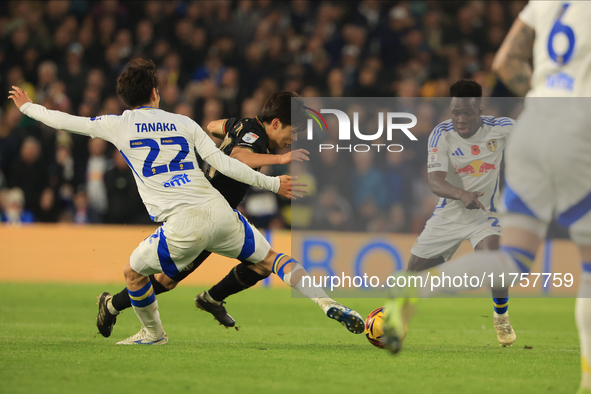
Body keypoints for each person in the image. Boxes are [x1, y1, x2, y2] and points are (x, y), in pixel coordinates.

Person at [8, 59, 302, 345]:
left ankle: (125, 314)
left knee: (154, 277)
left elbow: (66, 121)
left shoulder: (118, 123)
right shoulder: (182, 122)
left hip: (181, 213)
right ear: (155, 94)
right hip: (204, 208)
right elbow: (223, 159)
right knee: (161, 278)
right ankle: (142, 318)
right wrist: (274, 177)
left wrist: (28, 107)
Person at [384, 6, 591, 390]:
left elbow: (506, 61)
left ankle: (426, 290)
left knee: (510, 259)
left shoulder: (543, 4)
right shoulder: (442, 134)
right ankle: (586, 381)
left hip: (533, 129)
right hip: (574, 128)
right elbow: (434, 179)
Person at [97, 91, 365, 337]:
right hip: (204, 215)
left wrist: (218, 143)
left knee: (262, 263)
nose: (291, 140)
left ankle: (209, 299)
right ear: (275, 123)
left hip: (219, 217)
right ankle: (112, 306)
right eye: (291, 131)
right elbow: (239, 157)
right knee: (165, 281)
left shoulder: (241, 124)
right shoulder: (256, 138)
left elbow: (213, 126)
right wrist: (278, 160)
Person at [407, 79, 516, 346]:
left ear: (480, 109)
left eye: (468, 112)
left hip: (486, 214)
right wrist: (461, 194)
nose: (461, 119)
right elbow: (435, 181)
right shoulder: (441, 134)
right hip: (450, 214)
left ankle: (501, 317)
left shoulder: (502, 129)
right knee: (412, 271)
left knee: (494, 263)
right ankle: (398, 321)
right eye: (456, 112)